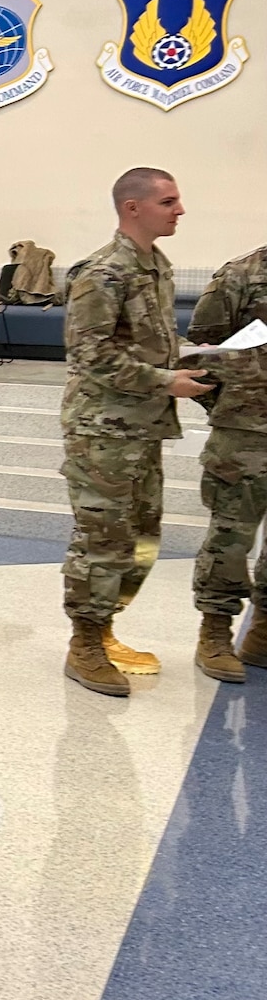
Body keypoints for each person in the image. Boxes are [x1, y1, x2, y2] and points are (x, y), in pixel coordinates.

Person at [59, 169, 211, 694]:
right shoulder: (103, 272)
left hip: (142, 427)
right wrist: (168, 380)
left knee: (142, 539)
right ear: (132, 207)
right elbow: (89, 355)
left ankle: (104, 629)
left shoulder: (156, 267)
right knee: (103, 539)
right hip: (103, 432)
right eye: (169, 201)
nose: (179, 210)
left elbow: (146, 340)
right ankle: (84, 643)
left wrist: (193, 362)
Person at [188, 242, 267, 681]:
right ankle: (215, 632)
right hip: (246, 434)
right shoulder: (240, 275)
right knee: (230, 539)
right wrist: (236, 406)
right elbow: (203, 352)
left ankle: (262, 633)